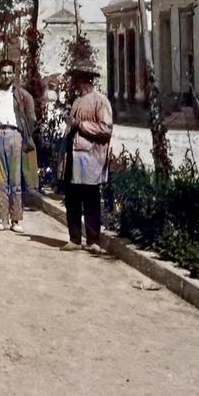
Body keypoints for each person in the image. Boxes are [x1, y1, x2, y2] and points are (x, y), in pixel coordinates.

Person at [60, 59, 113, 253]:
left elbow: (106, 128)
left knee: (91, 198)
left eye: (78, 79)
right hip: (74, 157)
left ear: (87, 80)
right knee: (73, 198)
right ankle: (74, 238)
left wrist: (79, 125)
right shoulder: (77, 101)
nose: (75, 83)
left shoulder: (100, 101)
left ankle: (93, 241)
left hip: (90, 158)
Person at [0, 59, 36, 233]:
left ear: (14, 74)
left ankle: (15, 220)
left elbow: (31, 117)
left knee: (15, 179)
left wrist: (24, 132)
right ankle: (2, 219)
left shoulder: (21, 95)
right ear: (0, 75)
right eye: (3, 73)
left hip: (14, 135)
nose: (6, 76)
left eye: (9, 72)